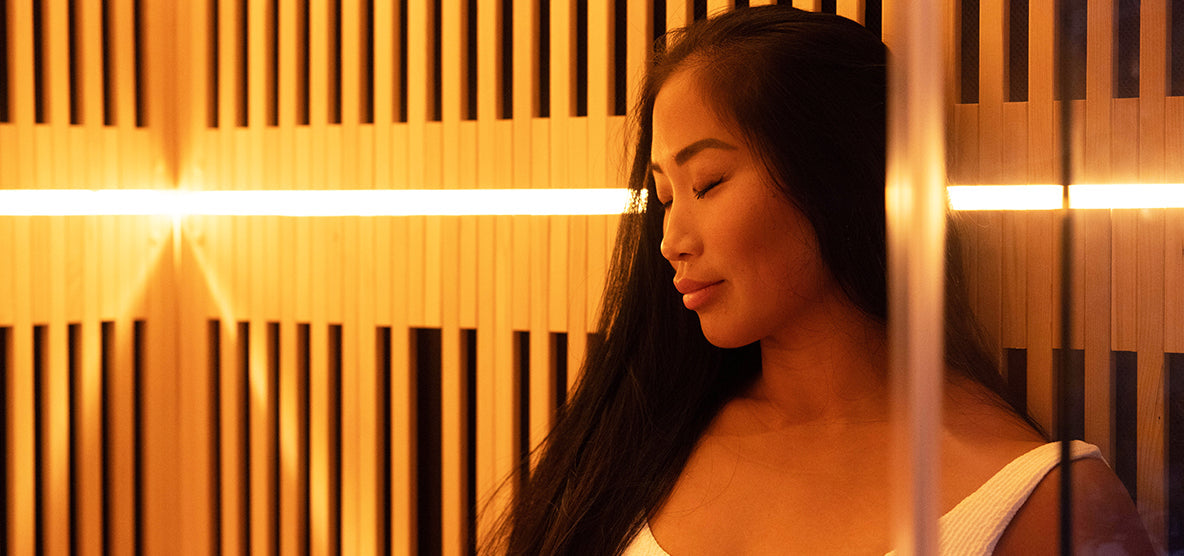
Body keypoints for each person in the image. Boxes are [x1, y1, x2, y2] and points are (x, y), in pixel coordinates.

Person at [493, 5, 1153, 554]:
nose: (670, 242)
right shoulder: (641, 442)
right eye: (665, 196)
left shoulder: (1041, 503)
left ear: (838, 174)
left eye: (708, 183)